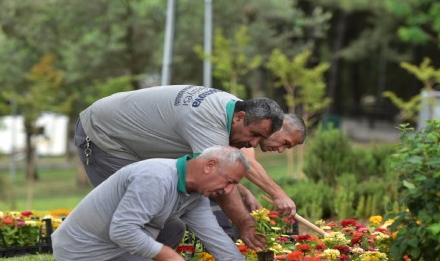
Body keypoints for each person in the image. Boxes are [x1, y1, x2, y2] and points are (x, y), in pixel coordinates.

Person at [35, 146, 254, 261]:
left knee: (175, 227)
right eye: (229, 181)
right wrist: (171, 257)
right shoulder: (156, 178)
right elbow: (123, 231)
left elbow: (214, 236)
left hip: (113, 242)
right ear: (210, 165)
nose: (228, 191)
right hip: (86, 250)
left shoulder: (195, 193)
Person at [75, 85, 298, 251]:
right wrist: (244, 223)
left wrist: (244, 191)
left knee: (163, 217)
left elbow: (221, 172)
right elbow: (215, 178)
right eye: (254, 135)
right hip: (103, 137)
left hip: (128, 139)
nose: (253, 144)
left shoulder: (235, 107)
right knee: (144, 215)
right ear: (240, 118)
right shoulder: (208, 120)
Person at [212, 113, 307, 238]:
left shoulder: (248, 138)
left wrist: (244, 192)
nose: (281, 150)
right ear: (280, 125)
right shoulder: (246, 127)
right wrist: (279, 195)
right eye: (285, 142)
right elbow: (245, 161)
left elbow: (221, 169)